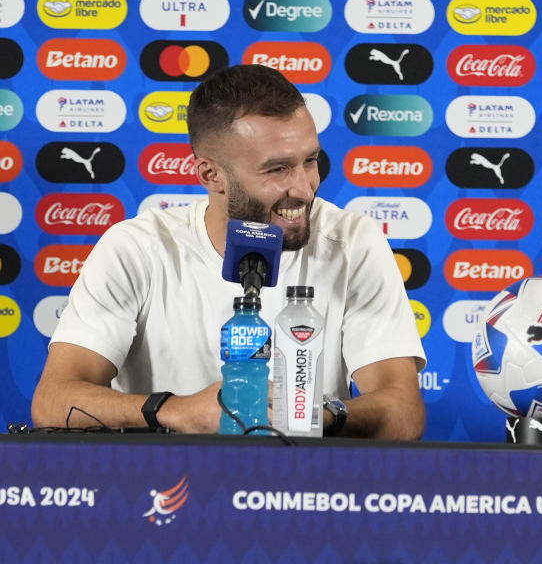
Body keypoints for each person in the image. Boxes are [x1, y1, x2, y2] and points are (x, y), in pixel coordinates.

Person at [32, 64, 427, 438]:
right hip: (160, 494)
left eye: (310, 161)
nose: (305, 188)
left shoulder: (352, 241)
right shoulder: (136, 248)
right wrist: (177, 411)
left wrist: (306, 415)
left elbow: (403, 414)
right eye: (277, 170)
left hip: (303, 492)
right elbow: (53, 401)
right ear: (210, 174)